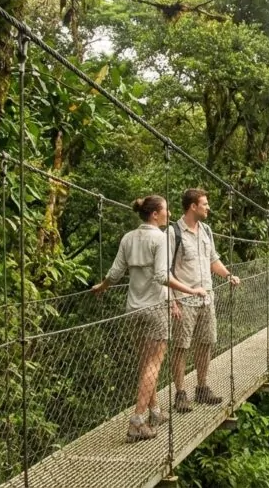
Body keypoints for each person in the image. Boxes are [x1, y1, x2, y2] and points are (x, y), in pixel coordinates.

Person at [91, 195, 207, 443]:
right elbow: (162, 277)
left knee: (146, 365)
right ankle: (137, 420)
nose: (169, 214)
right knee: (153, 365)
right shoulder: (161, 238)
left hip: (133, 309)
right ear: (155, 214)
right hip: (155, 310)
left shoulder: (128, 237)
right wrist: (191, 290)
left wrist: (102, 286)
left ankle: (154, 411)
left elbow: (115, 272)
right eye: (166, 210)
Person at [168, 188, 240, 412]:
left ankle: (201, 388)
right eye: (205, 204)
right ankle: (180, 393)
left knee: (206, 343)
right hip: (184, 300)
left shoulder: (206, 230)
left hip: (207, 298)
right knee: (181, 347)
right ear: (193, 207)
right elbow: (165, 271)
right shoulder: (173, 233)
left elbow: (213, 261)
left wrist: (227, 275)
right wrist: (172, 300)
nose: (209, 208)